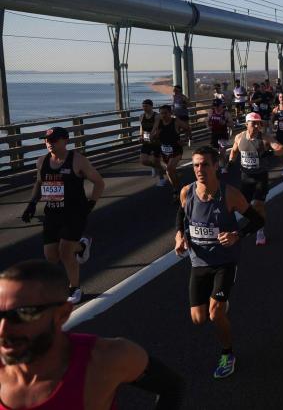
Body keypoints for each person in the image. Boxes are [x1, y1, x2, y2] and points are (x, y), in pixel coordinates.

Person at [0, 260, 184, 408]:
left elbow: (171, 387)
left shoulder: (106, 359)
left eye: (22, 313)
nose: (3, 329)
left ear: (62, 313)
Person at [175, 145, 265, 379]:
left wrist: (237, 235)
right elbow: (181, 214)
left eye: (205, 164)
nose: (199, 169)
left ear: (216, 166)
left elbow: (257, 220)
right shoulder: (187, 192)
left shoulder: (229, 194)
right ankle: (220, 302)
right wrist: (179, 235)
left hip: (225, 261)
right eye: (196, 165)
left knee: (215, 314)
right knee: (198, 318)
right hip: (199, 262)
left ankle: (228, 354)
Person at [21, 127, 102, 305]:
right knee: (51, 255)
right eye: (46, 140)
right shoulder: (42, 161)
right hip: (52, 213)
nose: (49, 143)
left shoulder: (78, 160)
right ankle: (81, 246)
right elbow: (39, 183)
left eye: (53, 140)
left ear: (65, 140)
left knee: (65, 252)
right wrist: (31, 204)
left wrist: (91, 204)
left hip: (74, 213)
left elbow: (99, 182)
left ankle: (74, 288)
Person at [228, 113, 283, 247]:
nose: (256, 126)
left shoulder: (264, 137)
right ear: (246, 124)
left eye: (259, 123)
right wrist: (231, 162)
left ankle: (260, 230)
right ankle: (255, 221)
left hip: (260, 177)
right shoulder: (239, 137)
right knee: (241, 206)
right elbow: (234, 151)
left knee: (257, 205)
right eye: (253, 123)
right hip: (245, 178)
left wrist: (271, 152)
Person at [151, 105, 191, 201]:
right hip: (164, 151)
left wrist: (185, 139)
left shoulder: (175, 121)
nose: (163, 115)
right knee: (170, 173)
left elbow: (187, 128)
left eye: (165, 113)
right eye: (161, 113)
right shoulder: (158, 122)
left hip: (176, 149)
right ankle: (178, 187)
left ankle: (176, 191)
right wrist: (155, 135)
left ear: (170, 113)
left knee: (169, 169)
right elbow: (152, 136)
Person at [139, 98, 164, 185]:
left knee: (157, 161)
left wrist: (151, 136)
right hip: (146, 139)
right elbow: (141, 127)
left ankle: (161, 179)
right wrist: (141, 136)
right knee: (143, 161)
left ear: (151, 106)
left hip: (156, 140)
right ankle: (154, 167)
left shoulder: (157, 116)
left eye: (146, 106)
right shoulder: (141, 116)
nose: (144, 108)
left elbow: (155, 127)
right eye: (143, 106)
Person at [206, 99, 233, 174]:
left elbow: (232, 124)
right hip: (214, 134)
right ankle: (219, 164)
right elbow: (207, 120)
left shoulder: (226, 113)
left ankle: (223, 167)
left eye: (218, 106)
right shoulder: (211, 112)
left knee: (222, 152)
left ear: (221, 105)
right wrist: (208, 126)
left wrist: (225, 123)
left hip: (223, 134)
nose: (216, 107)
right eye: (215, 106)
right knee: (214, 152)